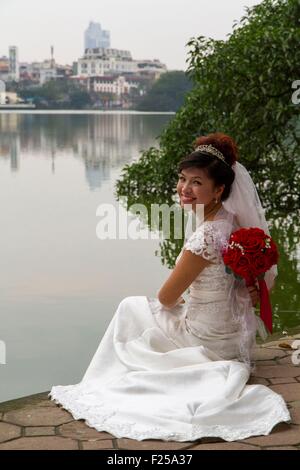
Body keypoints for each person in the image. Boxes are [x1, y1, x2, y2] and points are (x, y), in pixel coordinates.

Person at [49, 132, 291, 442]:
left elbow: (166, 297)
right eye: (183, 179)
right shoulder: (233, 224)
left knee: (131, 307)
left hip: (206, 341)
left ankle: (103, 380)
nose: (185, 189)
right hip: (233, 338)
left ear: (218, 190)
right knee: (151, 310)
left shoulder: (205, 238)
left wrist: (180, 304)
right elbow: (247, 286)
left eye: (196, 182)